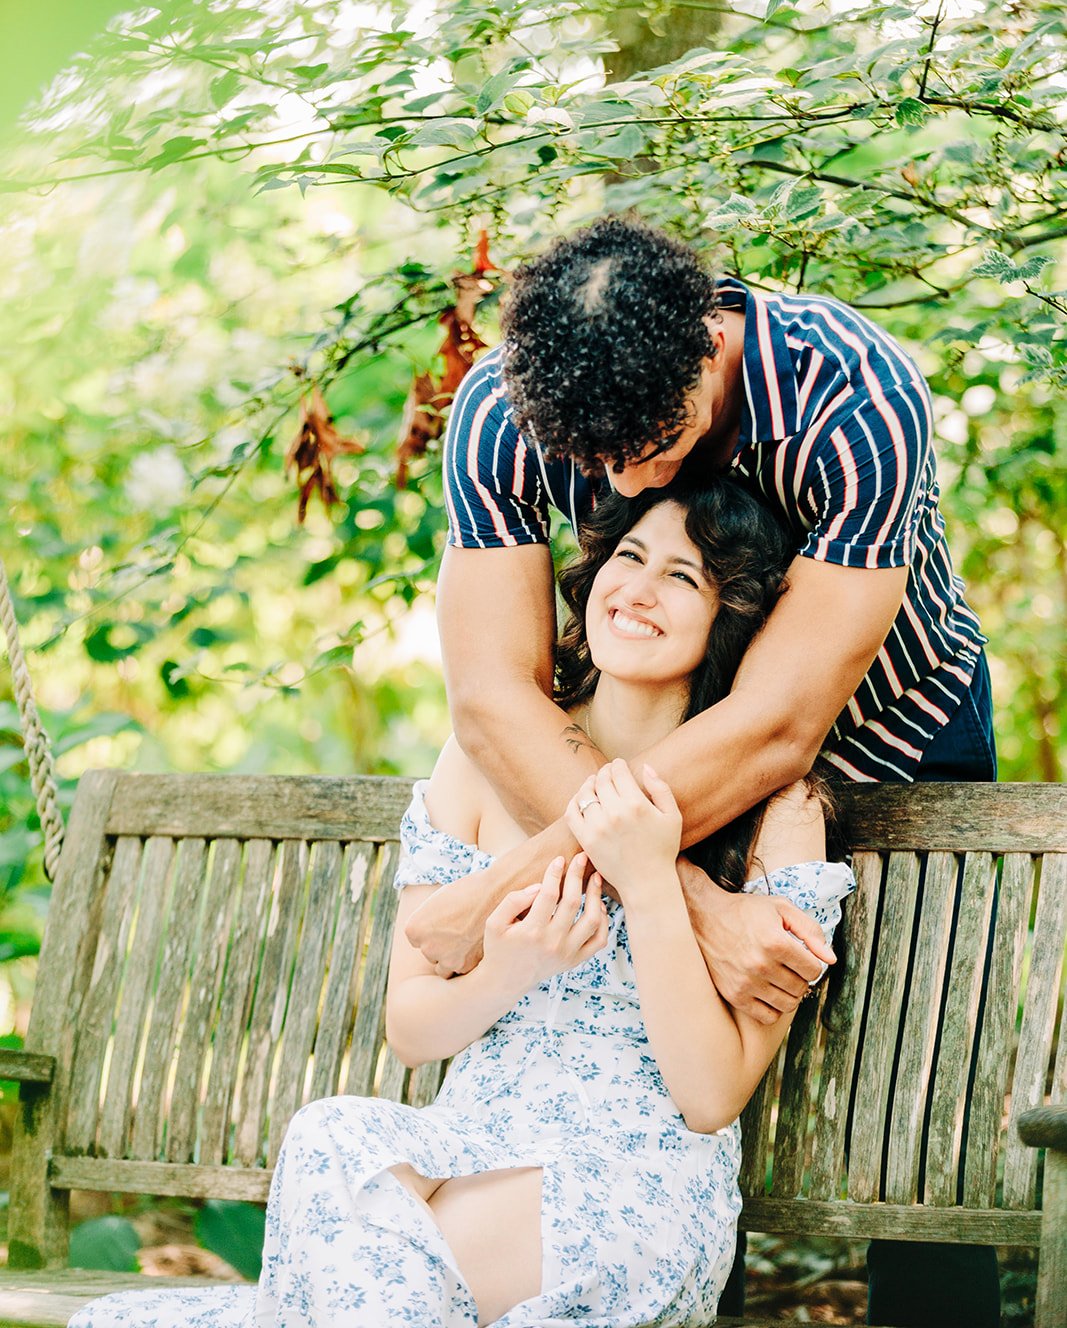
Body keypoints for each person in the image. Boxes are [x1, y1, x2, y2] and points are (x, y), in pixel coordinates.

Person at [69, 476, 854, 1328]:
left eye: (682, 576)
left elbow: (708, 1098)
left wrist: (650, 878)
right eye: (628, 556)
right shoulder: (484, 758)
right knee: (333, 1137)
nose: (637, 589)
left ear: (728, 617)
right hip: (468, 1145)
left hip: (631, 1181)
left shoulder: (777, 807)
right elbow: (413, 1031)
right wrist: (511, 968)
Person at [414, 215, 998, 1326]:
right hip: (631, 762)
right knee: (672, 1043)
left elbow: (779, 726)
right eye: (597, 463)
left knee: (918, 1095)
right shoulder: (503, 409)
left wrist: (502, 886)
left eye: (654, 436)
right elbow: (493, 696)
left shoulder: (852, 395)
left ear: (708, 343)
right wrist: (690, 900)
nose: (631, 475)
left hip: (893, 732)